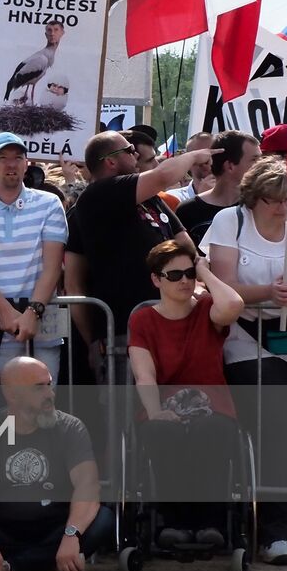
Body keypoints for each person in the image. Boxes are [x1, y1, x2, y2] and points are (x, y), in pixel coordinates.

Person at [202, 157, 287, 564]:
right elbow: (224, 286)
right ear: (253, 196)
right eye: (272, 200)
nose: (281, 208)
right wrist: (268, 291)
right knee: (279, 422)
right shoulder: (231, 222)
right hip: (246, 339)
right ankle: (276, 533)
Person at [0, 356, 113, 571]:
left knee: (103, 520)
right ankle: (47, 565)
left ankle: (9, 569)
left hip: (56, 530)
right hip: (0, 531)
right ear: (11, 394)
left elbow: (88, 486)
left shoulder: (71, 427)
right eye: (38, 388)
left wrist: (71, 535)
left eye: (49, 385)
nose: (50, 394)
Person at [128, 240, 244, 551]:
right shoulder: (142, 319)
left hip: (213, 405)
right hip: (164, 403)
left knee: (211, 430)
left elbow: (233, 305)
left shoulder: (207, 308)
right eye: (174, 275)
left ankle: (210, 521)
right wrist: (154, 412)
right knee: (161, 431)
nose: (184, 281)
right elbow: (144, 374)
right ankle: (173, 521)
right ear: (156, 279)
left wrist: (205, 270)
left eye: (189, 273)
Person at [67, 131, 208, 383]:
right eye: (130, 150)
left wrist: (197, 281)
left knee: (180, 407)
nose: (136, 155)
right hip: (125, 332)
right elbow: (74, 282)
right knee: (128, 414)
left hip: (174, 325)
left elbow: (186, 245)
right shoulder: (96, 196)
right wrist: (196, 155)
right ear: (110, 161)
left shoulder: (151, 200)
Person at [0, 132, 67, 386]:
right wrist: (5, 311)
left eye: (18, 157)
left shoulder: (49, 203)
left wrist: (32, 312)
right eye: (2, 157)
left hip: (42, 328)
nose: (11, 163)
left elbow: (52, 267)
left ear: (26, 163)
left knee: (42, 405)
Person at [175, 130, 259, 247]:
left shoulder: (258, 207)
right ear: (230, 166)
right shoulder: (187, 211)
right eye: (254, 160)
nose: (262, 165)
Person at [169, 132, 214, 203]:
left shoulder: (234, 197)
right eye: (198, 156)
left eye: (212, 155)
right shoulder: (174, 198)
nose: (206, 161)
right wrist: (201, 199)